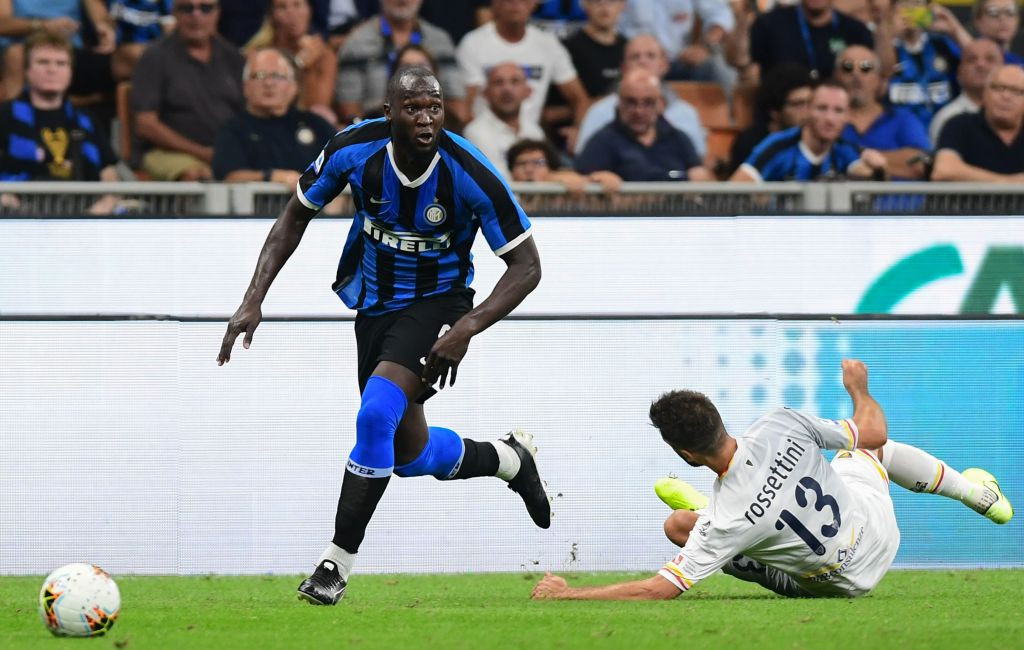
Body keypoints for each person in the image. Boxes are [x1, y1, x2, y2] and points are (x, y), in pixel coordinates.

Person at [217, 66, 550, 606]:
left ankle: (334, 565)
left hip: (440, 306)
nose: (426, 119)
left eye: (435, 108)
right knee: (408, 454)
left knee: (374, 416)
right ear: (389, 111)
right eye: (413, 109)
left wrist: (466, 327)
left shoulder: (469, 170)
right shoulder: (353, 149)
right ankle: (509, 460)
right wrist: (253, 298)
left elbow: (527, 267)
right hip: (375, 309)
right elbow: (293, 216)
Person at [531, 359, 1013, 601]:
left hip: (839, 585)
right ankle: (978, 495)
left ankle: (719, 517)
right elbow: (874, 430)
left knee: (689, 529)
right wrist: (858, 389)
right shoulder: (781, 423)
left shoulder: (726, 519)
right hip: (878, 535)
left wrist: (571, 594)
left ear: (686, 454)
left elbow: (661, 588)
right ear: (720, 419)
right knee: (873, 450)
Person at [0, 31, 120, 214]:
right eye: (43, 62)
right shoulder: (4, 115)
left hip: (84, 217)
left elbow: (109, 177)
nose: (52, 69)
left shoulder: (86, 120)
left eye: (61, 63)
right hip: (16, 219)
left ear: (70, 72)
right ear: (27, 70)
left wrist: (98, 212)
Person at [131, 0, 244, 181]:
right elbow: (146, 124)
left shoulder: (233, 57)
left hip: (223, 152)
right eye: (187, 8)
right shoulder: (155, 56)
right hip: (166, 153)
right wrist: (202, 153)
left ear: (217, 13)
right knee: (198, 175)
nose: (196, 15)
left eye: (205, 8)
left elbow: (247, 115)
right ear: (174, 13)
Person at [456, 0, 589, 132]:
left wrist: (578, 131)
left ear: (534, 3)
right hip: (484, 135)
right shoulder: (473, 43)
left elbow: (580, 100)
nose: (516, 4)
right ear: (495, 3)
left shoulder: (548, 44)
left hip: (531, 136)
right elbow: (465, 106)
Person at [213, 47, 337, 183]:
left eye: (277, 76)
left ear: (293, 86)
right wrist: (272, 176)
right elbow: (228, 176)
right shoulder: (233, 130)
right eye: (259, 76)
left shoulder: (316, 125)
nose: (269, 83)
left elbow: (347, 166)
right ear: (245, 86)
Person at [335, 0, 466, 125]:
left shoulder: (440, 41)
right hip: (376, 133)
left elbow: (458, 108)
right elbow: (349, 112)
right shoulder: (356, 43)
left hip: (434, 131)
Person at [575, 34, 705, 158]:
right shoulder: (600, 111)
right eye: (635, 57)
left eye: (651, 56)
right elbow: (585, 166)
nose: (642, 62)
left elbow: (697, 164)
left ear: (664, 65)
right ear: (623, 67)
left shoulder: (686, 113)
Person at [730, 80, 888, 181]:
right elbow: (735, 190)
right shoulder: (777, 146)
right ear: (807, 110)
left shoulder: (846, 151)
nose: (830, 118)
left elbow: (872, 185)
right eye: (822, 108)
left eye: (838, 111)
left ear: (848, 116)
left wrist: (880, 169)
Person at [575, 69, 711, 182]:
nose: (639, 111)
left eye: (648, 103)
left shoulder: (679, 139)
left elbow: (702, 181)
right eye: (631, 102)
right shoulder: (601, 142)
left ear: (660, 104)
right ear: (619, 103)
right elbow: (582, 190)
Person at [835, 45, 930, 179]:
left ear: (879, 79)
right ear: (836, 76)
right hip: (842, 200)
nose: (856, 74)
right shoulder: (828, 120)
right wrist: (894, 161)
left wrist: (853, 160)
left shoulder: (903, 118)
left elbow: (920, 164)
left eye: (866, 68)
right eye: (847, 67)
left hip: (899, 200)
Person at [0, 0, 119, 101]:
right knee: (15, 54)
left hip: (70, 49)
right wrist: (44, 25)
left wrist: (103, 27)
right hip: (22, 48)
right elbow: (2, 24)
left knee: (119, 62)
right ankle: (13, 118)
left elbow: (97, 10)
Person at [745, 0, 890, 82]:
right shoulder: (770, 24)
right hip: (784, 112)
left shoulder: (855, 30)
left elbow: (883, 71)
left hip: (838, 110)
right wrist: (741, 16)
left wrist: (882, 22)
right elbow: (739, 61)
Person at [245, 0, 339, 123]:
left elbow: (319, 111)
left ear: (309, 10)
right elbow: (262, 105)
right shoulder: (258, 55)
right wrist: (298, 64)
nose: (292, 13)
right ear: (271, 15)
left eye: (297, 4)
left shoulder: (324, 56)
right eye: (282, 7)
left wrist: (308, 70)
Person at [886, 0, 972, 130]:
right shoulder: (884, 48)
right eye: (904, 3)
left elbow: (982, 63)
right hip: (901, 136)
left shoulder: (943, 44)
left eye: (917, 3)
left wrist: (955, 29)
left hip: (945, 131)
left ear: (927, 8)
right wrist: (888, 36)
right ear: (892, 9)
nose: (911, 9)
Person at [931, 63, 1024, 180]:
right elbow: (944, 170)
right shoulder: (959, 124)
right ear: (984, 94)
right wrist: (1010, 184)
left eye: (1016, 91)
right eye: (999, 88)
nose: (1006, 96)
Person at [728, 62, 814, 176]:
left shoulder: (816, 142)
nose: (808, 111)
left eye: (810, 103)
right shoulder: (750, 144)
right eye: (798, 104)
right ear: (774, 112)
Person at [618, 0, 735, 83]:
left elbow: (720, 14)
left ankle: (728, 116)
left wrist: (704, 47)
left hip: (678, 61)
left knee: (718, 68)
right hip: (633, 61)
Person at [463, 62, 546, 179]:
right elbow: (496, 180)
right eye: (498, 82)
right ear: (485, 93)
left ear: (528, 91)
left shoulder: (534, 131)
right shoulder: (475, 132)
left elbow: (544, 173)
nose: (507, 89)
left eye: (515, 81)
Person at [929, 37, 1003, 143]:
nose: (980, 65)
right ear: (959, 73)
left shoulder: (1017, 117)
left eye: (990, 59)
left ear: (1004, 70)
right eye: (972, 59)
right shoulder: (947, 119)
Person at [507, 137, 621, 193]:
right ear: (511, 172)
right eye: (521, 164)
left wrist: (597, 181)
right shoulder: (502, 202)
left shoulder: (565, 193)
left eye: (538, 163)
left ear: (551, 169)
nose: (529, 169)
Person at [972, 0, 1023, 65]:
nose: (1002, 18)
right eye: (993, 13)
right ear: (978, 21)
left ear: (1017, 19)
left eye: (1010, 12)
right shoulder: (962, 55)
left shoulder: (1018, 62)